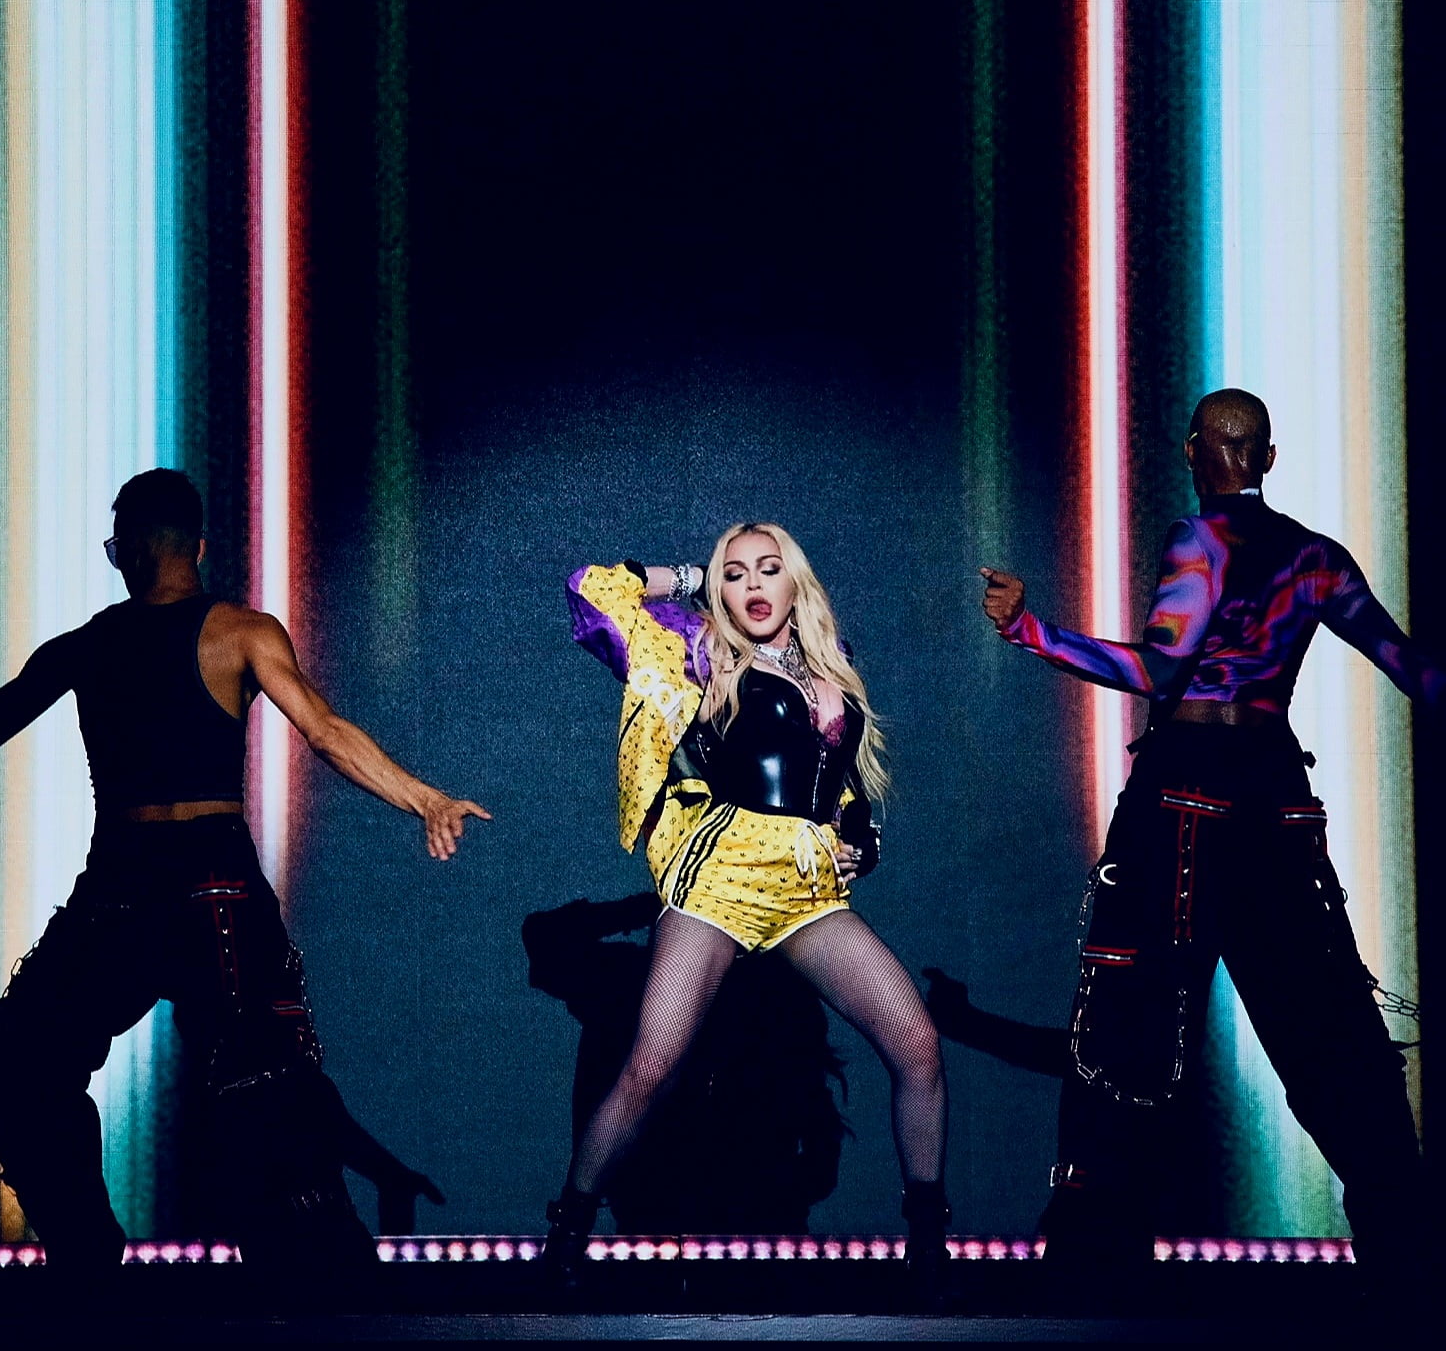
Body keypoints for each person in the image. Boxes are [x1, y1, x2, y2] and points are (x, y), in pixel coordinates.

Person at [0, 468, 489, 1274]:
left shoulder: (104, 643)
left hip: (144, 888)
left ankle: (146, 1257)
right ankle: (114, 1260)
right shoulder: (224, 633)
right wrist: (426, 801)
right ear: (198, 546)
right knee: (62, 1058)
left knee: (228, 1077)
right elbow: (324, 730)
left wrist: (425, 799)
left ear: (130, 547)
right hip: (187, 886)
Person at [979, 389, 1436, 1283]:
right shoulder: (1317, 559)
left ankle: (1092, 1269)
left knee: (1128, 1023)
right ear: (1265, 458)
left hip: (1185, 796)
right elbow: (1409, 665)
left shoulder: (1200, 539)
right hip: (1272, 799)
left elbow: (1161, 668)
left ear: (1195, 451)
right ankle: (1409, 1257)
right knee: (1324, 1025)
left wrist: (1033, 630)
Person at [545, 524, 949, 1291]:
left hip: (808, 888)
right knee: (651, 1065)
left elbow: (841, 790)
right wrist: (693, 578)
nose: (754, 585)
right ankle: (568, 1230)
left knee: (918, 1044)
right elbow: (592, 587)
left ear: (797, 581)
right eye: (736, 574)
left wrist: (863, 842)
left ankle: (928, 1245)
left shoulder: (834, 664)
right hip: (721, 877)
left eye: (768, 569)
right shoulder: (705, 653)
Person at [524, 891, 849, 1234]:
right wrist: (666, 903)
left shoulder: (778, 995)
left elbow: (815, 1111)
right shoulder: (628, 980)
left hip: (756, 1218)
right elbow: (546, 938)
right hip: (656, 1215)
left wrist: (786, 1190)